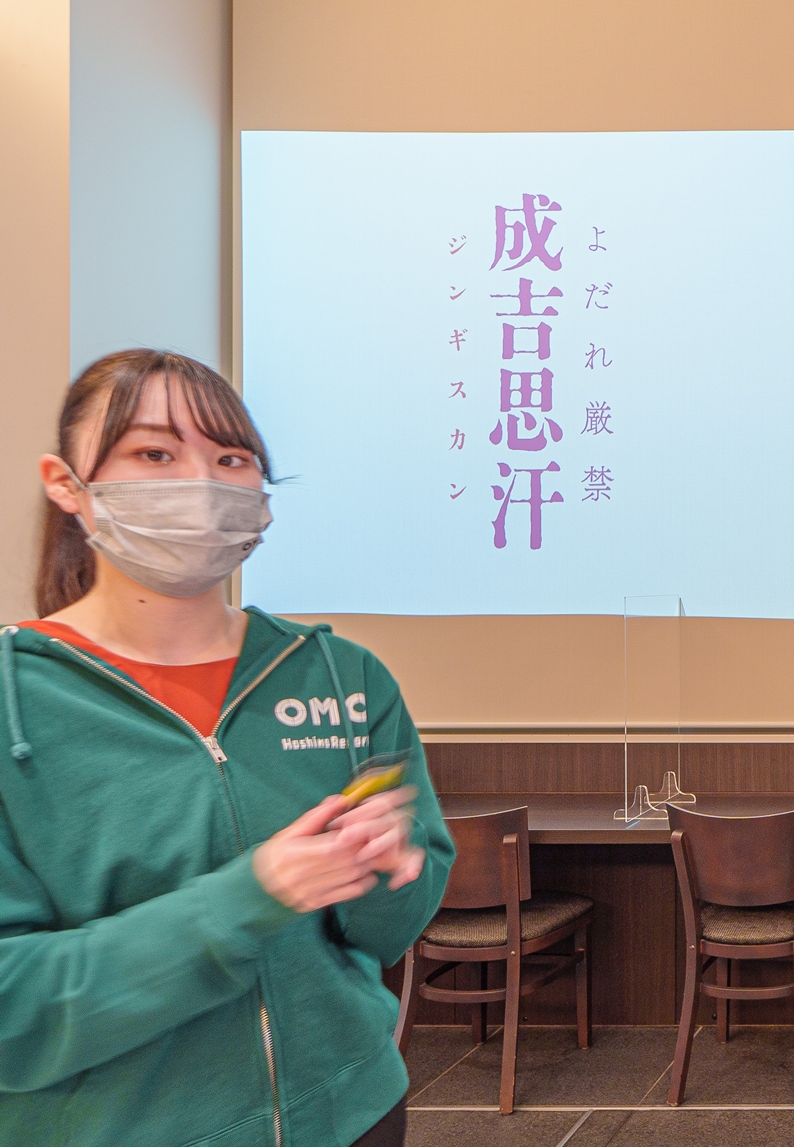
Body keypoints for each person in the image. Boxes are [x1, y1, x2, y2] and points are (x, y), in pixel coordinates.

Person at [0, 350, 455, 1147]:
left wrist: (385, 868)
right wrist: (252, 897)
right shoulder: (20, 701)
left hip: (354, 1111)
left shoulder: (342, 674)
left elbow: (388, 933)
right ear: (66, 484)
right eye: (154, 453)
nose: (201, 481)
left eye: (231, 458)